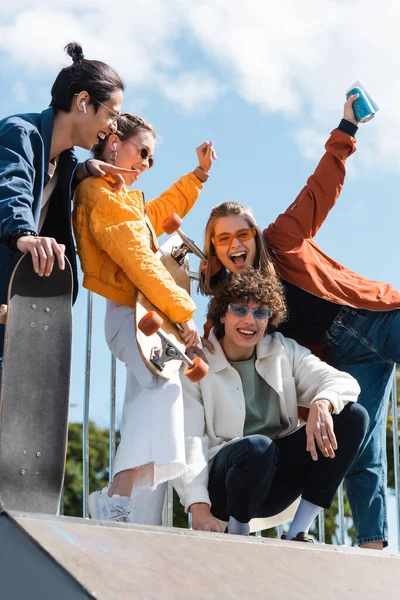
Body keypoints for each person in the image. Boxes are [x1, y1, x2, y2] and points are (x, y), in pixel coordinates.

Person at [198, 97, 400, 549]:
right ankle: (372, 547)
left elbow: (320, 190)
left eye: (242, 234)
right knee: (361, 441)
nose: (236, 245)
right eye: (224, 240)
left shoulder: (282, 238)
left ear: (255, 235)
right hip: (344, 360)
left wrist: (347, 126)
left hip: (375, 319)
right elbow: (220, 348)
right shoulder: (233, 304)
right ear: (216, 250)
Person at [73, 112, 216, 525]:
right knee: (164, 387)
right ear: (114, 142)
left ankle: (133, 515)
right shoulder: (99, 193)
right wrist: (182, 311)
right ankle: (116, 498)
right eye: (144, 153)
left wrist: (199, 176)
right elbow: (140, 262)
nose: (147, 164)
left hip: (140, 313)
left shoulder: (121, 198)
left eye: (152, 159)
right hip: (131, 315)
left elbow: (158, 214)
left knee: (147, 400)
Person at [175, 269, 368, 540]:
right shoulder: (198, 364)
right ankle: (238, 534)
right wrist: (198, 507)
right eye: (239, 309)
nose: (249, 320)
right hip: (225, 485)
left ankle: (298, 532)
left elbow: (344, 383)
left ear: (269, 319)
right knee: (257, 447)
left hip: (277, 480)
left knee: (353, 416)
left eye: (261, 312)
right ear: (222, 314)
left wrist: (323, 402)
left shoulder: (282, 350)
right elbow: (189, 440)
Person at [0, 42, 135, 378]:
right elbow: (10, 187)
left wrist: (87, 171)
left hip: (14, 312)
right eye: (111, 114)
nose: (113, 128)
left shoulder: (66, 162)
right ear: (83, 102)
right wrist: (24, 235)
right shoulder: (20, 133)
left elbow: (59, 171)